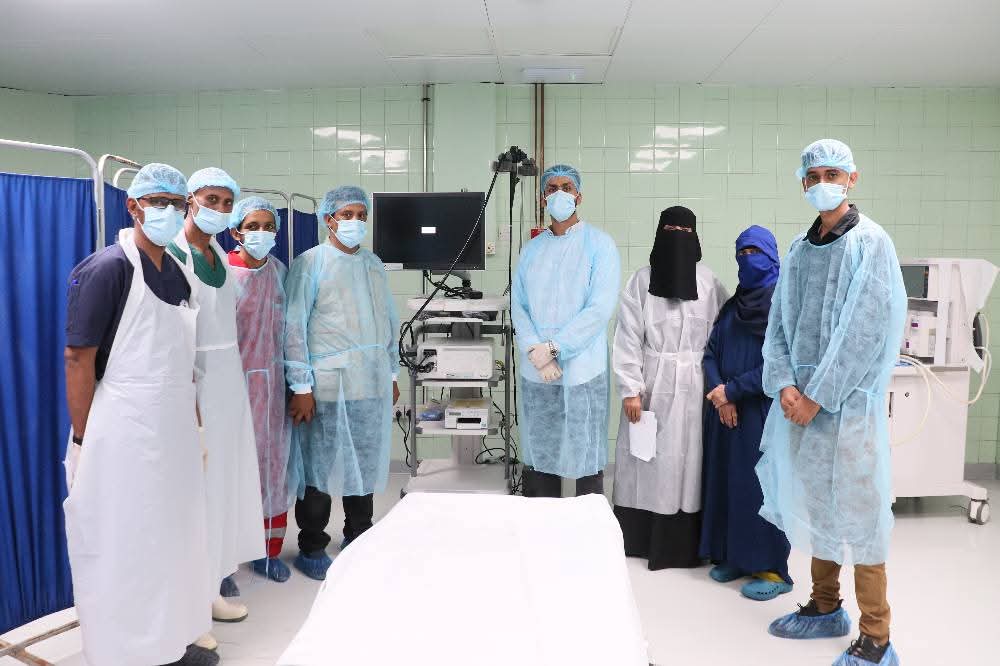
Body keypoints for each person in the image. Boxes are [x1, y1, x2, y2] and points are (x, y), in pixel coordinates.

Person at [757, 140, 905, 666]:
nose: (823, 183)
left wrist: (817, 396)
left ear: (852, 179)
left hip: (848, 411)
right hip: (802, 409)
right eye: (814, 175)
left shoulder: (871, 244)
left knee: (862, 519)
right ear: (803, 182)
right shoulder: (800, 249)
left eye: (833, 174)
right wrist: (785, 383)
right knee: (819, 508)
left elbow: (862, 333)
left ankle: (876, 637)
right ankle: (824, 606)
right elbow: (779, 324)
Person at [63, 163, 217, 666]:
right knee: (127, 541)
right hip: (122, 428)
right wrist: (84, 439)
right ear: (133, 207)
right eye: (158, 202)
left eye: (177, 204)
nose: (168, 212)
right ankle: (125, 653)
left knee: (172, 537)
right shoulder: (108, 269)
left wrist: (195, 425)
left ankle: (169, 642)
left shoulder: (177, 273)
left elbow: (184, 360)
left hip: (171, 428)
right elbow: (78, 358)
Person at [284, 185, 400, 580]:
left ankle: (359, 535)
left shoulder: (372, 264)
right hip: (327, 385)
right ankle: (312, 546)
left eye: (361, 215)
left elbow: (387, 320)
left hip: (369, 381)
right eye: (346, 215)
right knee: (318, 468)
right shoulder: (310, 263)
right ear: (328, 219)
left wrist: (391, 372)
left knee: (362, 464)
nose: (355, 222)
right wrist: (301, 386)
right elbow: (294, 327)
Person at [168, 168, 264, 630]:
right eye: (212, 200)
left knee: (224, 484)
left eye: (227, 203)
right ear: (190, 199)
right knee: (196, 492)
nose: (221, 210)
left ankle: (213, 585)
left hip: (228, 381)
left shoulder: (220, 256)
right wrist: (189, 396)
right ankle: (190, 597)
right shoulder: (173, 255)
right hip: (195, 383)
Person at [611, 206, 727, 570]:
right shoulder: (641, 281)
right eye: (671, 229)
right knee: (648, 459)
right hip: (652, 383)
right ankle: (643, 539)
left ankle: (688, 544)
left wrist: (722, 385)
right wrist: (631, 388)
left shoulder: (708, 282)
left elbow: (722, 334)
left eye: (684, 230)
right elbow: (627, 337)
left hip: (697, 384)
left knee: (690, 459)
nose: (678, 237)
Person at [511, 164, 620, 498]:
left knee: (585, 454)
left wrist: (555, 348)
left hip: (583, 369)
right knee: (540, 454)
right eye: (552, 188)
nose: (559, 193)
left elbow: (599, 309)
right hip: (538, 369)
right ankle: (540, 526)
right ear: (543, 198)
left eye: (567, 187)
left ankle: (587, 527)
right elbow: (520, 307)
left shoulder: (599, 245)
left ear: (579, 196)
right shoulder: (531, 250)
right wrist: (537, 351)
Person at [699, 225, 793, 601]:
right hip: (726, 413)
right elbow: (710, 352)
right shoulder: (733, 306)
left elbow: (780, 363)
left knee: (761, 489)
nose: (748, 259)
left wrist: (733, 390)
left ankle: (772, 569)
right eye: (742, 252)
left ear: (772, 257)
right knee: (729, 484)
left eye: (756, 252)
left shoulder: (782, 306)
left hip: (761, 413)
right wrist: (720, 395)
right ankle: (735, 557)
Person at [227, 196, 293, 583]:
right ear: (236, 231)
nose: (261, 233)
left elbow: (290, 331)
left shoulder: (279, 271)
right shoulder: (222, 274)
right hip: (230, 388)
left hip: (273, 388)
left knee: (272, 468)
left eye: (268, 226)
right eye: (252, 226)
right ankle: (223, 561)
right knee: (228, 473)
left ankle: (268, 552)